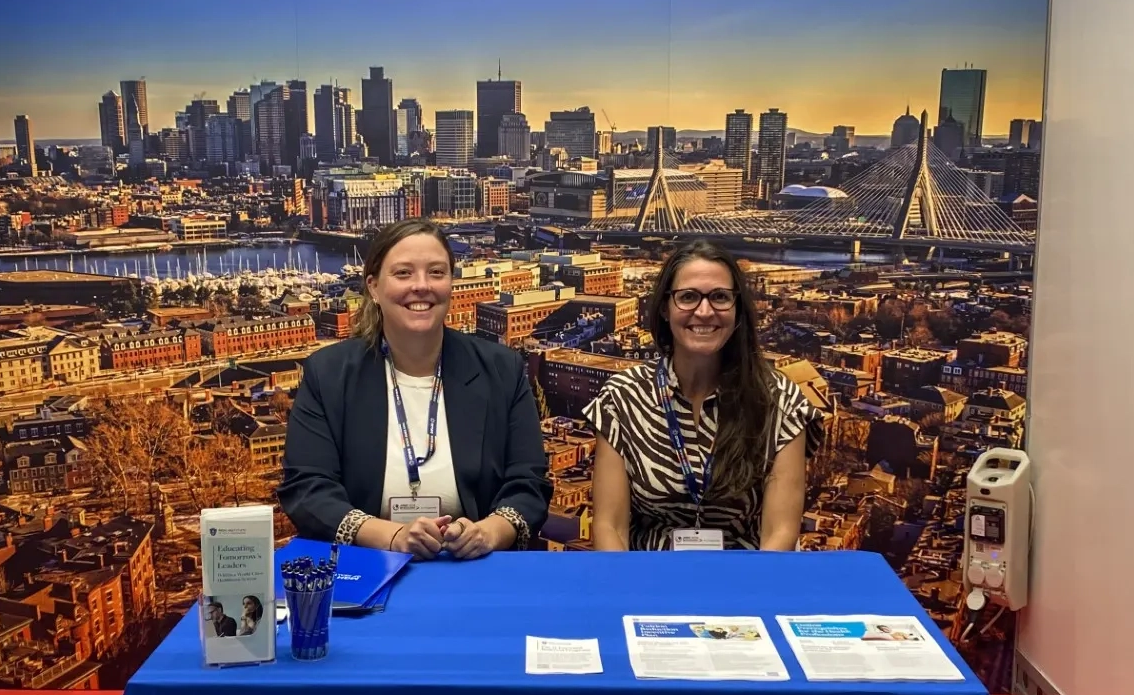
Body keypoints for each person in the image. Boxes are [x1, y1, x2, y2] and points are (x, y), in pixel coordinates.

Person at [279, 219, 550, 558]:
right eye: (403, 273)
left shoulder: (502, 370)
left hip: (474, 569)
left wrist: (488, 532)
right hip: (369, 567)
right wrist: (391, 537)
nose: (421, 286)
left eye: (436, 272)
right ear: (374, 288)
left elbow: (530, 484)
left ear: (451, 283)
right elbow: (307, 489)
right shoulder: (328, 374)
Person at [586, 239, 816, 551]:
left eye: (720, 297)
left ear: (737, 310)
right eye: (689, 297)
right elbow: (609, 526)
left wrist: (747, 600)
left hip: (744, 584)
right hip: (647, 584)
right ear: (666, 308)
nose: (704, 311)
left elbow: (780, 533)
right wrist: (630, 597)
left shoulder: (781, 402)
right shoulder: (622, 398)